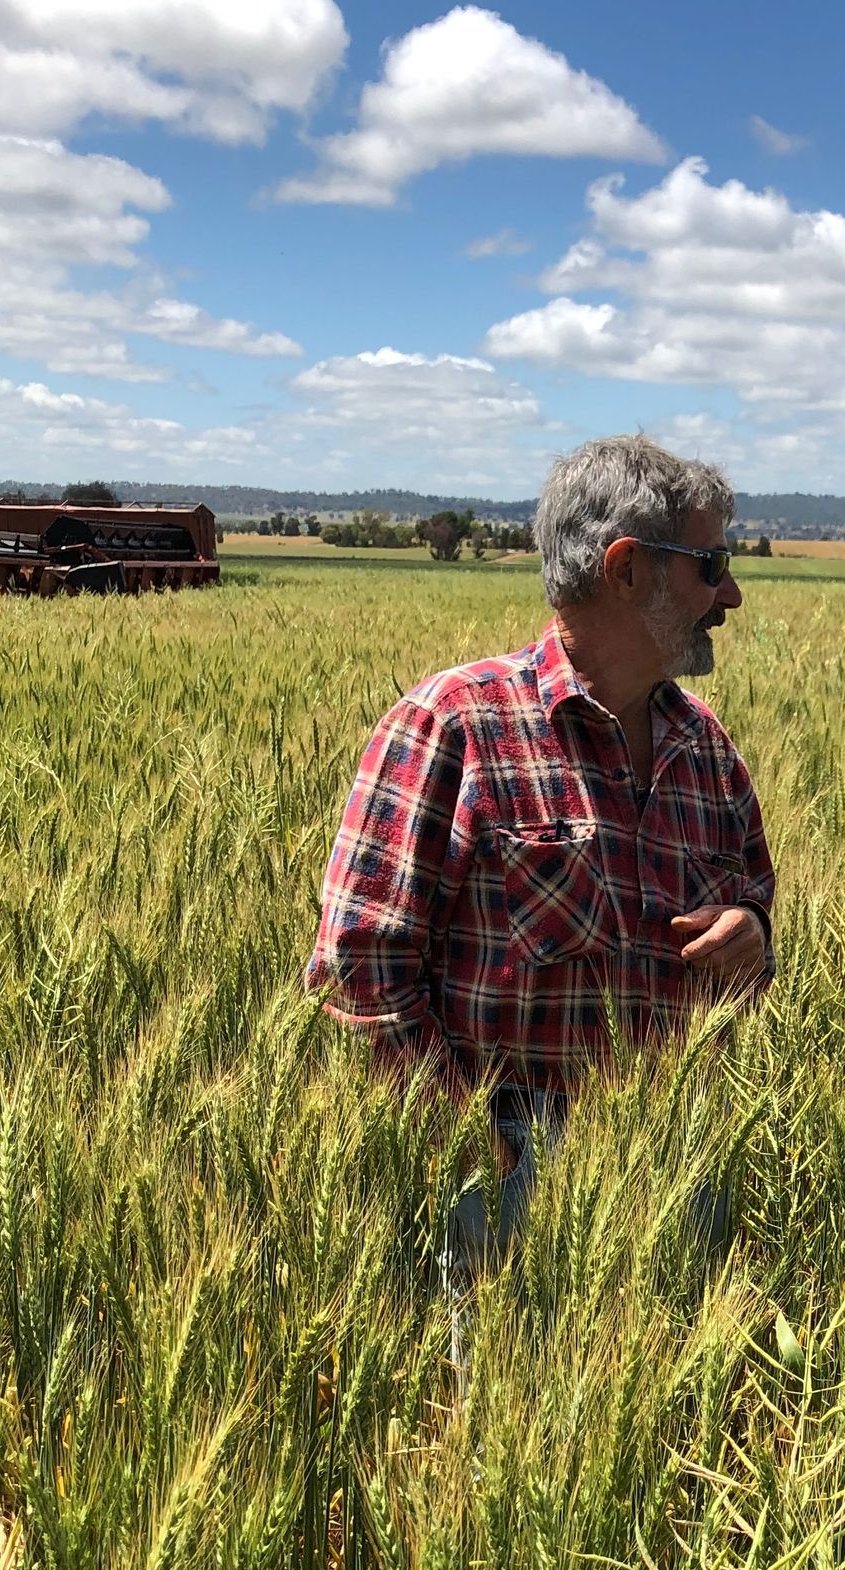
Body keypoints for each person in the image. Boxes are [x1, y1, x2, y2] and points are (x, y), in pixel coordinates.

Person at [305, 433, 772, 1356]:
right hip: (511, 1158)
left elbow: (752, 904)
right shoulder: (452, 724)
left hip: (675, 1156)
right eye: (711, 565)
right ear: (626, 569)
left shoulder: (705, 744)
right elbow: (358, 972)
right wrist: (473, 1144)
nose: (731, 596)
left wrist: (751, 930)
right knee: (505, 1431)